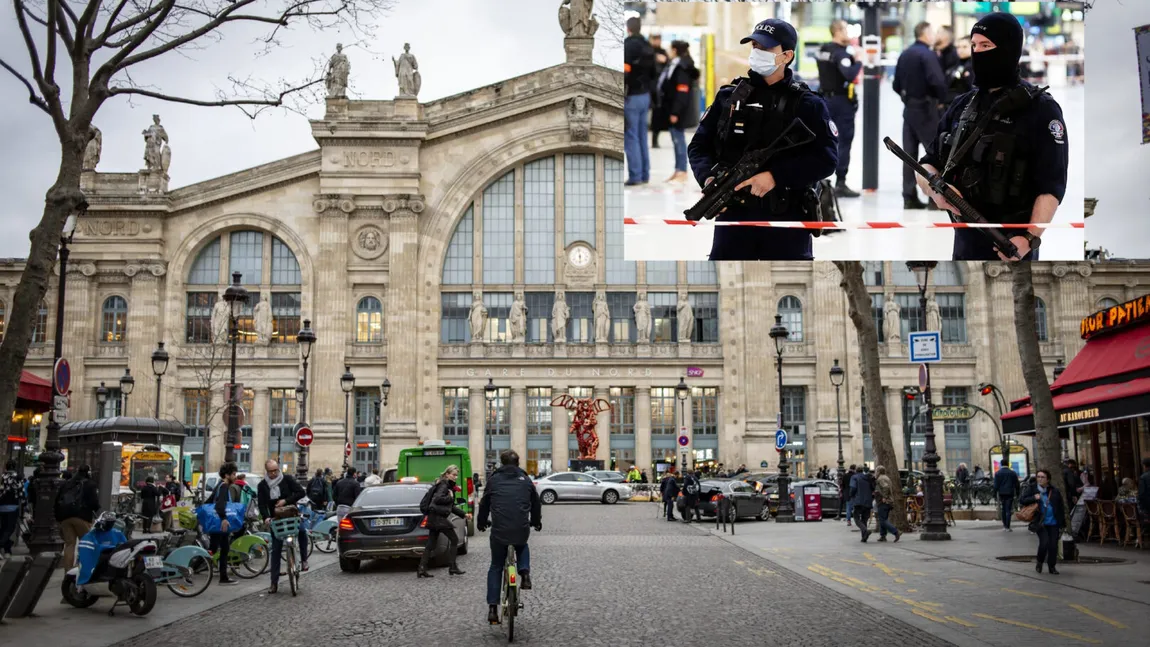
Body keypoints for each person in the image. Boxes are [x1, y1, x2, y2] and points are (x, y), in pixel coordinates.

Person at [918, 13, 1067, 261]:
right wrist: (936, 190)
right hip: (965, 242)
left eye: (986, 46)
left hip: (1013, 244)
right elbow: (926, 163)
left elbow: (1052, 186)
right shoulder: (962, 106)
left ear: (1008, 50)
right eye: (974, 45)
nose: (978, 53)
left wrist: (1029, 238)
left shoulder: (1040, 109)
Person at [687, 18, 838, 261]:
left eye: (766, 48)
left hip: (787, 217)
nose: (757, 53)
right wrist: (708, 178)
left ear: (786, 56)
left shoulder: (808, 104)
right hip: (734, 216)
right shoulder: (729, 96)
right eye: (754, 46)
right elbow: (698, 146)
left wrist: (775, 176)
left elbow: (826, 160)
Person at [477, 450, 541, 626]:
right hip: (520, 528)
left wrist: (481, 522)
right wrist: (536, 522)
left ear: (502, 463)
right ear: (518, 463)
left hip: (499, 531)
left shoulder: (494, 480)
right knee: (522, 545)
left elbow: (484, 504)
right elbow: (536, 503)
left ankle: (492, 609)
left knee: (496, 566)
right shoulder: (526, 480)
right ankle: (525, 573)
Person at [892, 22, 948, 210]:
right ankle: (934, 199)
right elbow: (937, 81)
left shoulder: (905, 54)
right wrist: (941, 100)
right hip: (926, 108)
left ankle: (909, 197)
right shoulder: (927, 54)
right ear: (925, 33)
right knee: (934, 153)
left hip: (909, 108)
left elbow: (896, 84)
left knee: (909, 155)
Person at [816, 20, 862, 198]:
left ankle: (820, 180)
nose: (849, 34)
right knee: (844, 140)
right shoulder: (841, 53)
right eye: (845, 30)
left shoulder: (823, 50)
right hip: (841, 103)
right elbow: (849, 75)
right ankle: (840, 182)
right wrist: (858, 61)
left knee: (824, 140)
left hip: (824, 100)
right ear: (837, 31)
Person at [258, 459, 309, 593]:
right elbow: (262, 504)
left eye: (276, 470)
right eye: (271, 471)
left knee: (302, 531)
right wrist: (266, 517)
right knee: (276, 549)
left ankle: (304, 560)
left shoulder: (286, 479)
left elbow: (301, 492)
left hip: (291, 515)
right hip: (276, 519)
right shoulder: (262, 485)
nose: (274, 473)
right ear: (266, 471)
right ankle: (274, 583)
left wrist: (286, 501)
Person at [653, 40, 700, 184]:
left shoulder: (681, 67)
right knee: (676, 139)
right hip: (672, 109)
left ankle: (682, 171)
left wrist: (675, 112)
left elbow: (682, 92)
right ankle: (678, 170)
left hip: (677, 111)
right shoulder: (675, 64)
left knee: (678, 140)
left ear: (674, 50)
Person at [417, 464, 471, 578]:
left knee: (431, 544)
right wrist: (450, 497)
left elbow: (450, 507)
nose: (455, 477)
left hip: (434, 518)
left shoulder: (446, 485)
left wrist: (464, 514)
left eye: (457, 475)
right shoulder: (444, 485)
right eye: (453, 475)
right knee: (454, 539)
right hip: (438, 518)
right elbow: (437, 499)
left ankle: (422, 568)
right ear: (447, 474)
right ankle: (452, 567)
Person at [623, 17, 656, 186]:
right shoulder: (647, 45)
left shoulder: (628, 46)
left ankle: (635, 175)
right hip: (645, 95)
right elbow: (653, 73)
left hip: (632, 96)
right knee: (642, 136)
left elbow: (625, 72)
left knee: (631, 136)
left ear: (628, 28)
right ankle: (644, 174)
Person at [55, 464, 100, 571]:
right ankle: (83, 569)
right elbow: (94, 503)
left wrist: (59, 518)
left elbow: (57, 501)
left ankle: (68, 571)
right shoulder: (90, 484)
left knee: (69, 545)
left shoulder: (67, 484)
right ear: (88, 473)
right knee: (85, 544)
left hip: (65, 517)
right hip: (82, 517)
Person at [1020, 469, 1065, 574]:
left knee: (1053, 545)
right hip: (1040, 522)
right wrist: (1033, 497)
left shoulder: (1054, 491)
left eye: (1042, 477)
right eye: (1038, 477)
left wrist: (1062, 523)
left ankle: (1051, 567)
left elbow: (1060, 506)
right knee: (1044, 543)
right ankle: (1040, 561)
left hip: (1053, 522)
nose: (1040, 479)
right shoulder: (1032, 489)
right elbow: (1022, 500)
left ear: (1048, 479)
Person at [208, 462, 241, 585]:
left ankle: (223, 576)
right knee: (221, 548)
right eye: (233, 474)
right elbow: (220, 504)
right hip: (220, 523)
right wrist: (224, 518)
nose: (235, 476)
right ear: (227, 475)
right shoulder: (224, 486)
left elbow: (210, 500)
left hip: (216, 523)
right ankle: (223, 577)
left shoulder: (219, 485)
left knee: (216, 548)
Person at [0, 460, 24, 556]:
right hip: (13, 506)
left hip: (2, 506)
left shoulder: (3, 476)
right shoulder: (18, 477)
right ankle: (2, 544)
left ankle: (7, 549)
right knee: (10, 528)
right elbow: (21, 493)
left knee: (3, 527)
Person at [649, 33, 669, 149]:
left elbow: (668, 65)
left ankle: (655, 139)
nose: (657, 42)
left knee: (657, 115)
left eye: (658, 40)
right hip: (650, 87)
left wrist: (665, 60)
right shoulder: (649, 52)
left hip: (660, 89)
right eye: (655, 39)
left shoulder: (662, 52)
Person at [873, 466, 901, 542]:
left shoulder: (880, 479)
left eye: (876, 471)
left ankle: (895, 531)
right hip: (889, 501)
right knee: (883, 518)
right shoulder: (886, 477)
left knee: (882, 520)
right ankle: (883, 535)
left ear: (878, 471)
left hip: (884, 501)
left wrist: (884, 497)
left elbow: (886, 487)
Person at [944, 36, 974, 107]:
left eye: (964, 47)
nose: (960, 50)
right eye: (958, 47)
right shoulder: (955, 64)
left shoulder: (974, 66)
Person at [850, 465, 875, 542]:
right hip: (868, 501)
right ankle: (864, 537)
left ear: (856, 471)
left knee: (856, 518)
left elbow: (853, 488)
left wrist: (851, 495)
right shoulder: (868, 478)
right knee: (864, 519)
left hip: (858, 500)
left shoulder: (854, 477)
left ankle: (865, 531)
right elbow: (873, 488)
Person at [994, 461, 1021, 531]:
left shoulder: (998, 473)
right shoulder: (1012, 473)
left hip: (1002, 493)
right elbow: (1017, 484)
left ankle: (1004, 525)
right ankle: (1008, 526)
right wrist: (1018, 493)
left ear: (1001, 464)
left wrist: (994, 494)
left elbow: (996, 485)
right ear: (1008, 464)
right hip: (1010, 492)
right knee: (1008, 509)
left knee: (1003, 509)